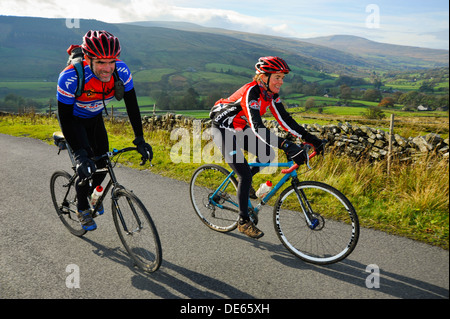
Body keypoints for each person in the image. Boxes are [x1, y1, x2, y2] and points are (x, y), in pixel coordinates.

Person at [210, 56, 325, 239]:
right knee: (245, 174)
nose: (280, 82)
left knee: (266, 154)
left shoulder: (270, 95)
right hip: (222, 129)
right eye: (277, 77)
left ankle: (243, 186)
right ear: (264, 77)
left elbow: (286, 120)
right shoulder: (251, 92)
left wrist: (312, 139)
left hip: (239, 127)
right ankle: (243, 221)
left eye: (282, 78)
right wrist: (286, 145)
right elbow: (258, 128)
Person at [56, 30, 152, 231]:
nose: (107, 68)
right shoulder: (70, 77)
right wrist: (80, 155)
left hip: (95, 119)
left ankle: (91, 195)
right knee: (87, 168)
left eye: (111, 61)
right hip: (74, 122)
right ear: (88, 59)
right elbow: (64, 118)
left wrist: (140, 139)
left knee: (104, 164)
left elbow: (132, 106)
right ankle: (82, 209)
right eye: (100, 62)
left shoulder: (122, 71)